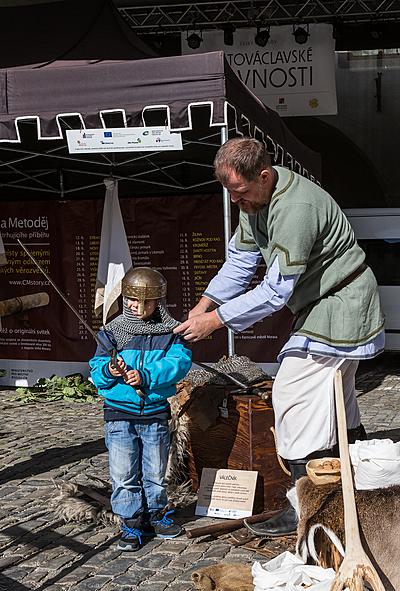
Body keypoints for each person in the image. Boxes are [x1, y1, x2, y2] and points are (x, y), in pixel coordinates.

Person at [174, 137, 384, 538]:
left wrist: (215, 322)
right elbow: (239, 262)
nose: (237, 202)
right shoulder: (256, 201)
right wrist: (203, 306)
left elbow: (275, 291)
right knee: (338, 396)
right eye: (230, 194)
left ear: (265, 176)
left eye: (240, 192)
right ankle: (360, 483)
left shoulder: (295, 209)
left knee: (292, 393)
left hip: (342, 303)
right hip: (322, 304)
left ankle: (303, 506)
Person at [90, 267, 192, 551]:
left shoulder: (171, 333)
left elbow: (179, 363)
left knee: (156, 470)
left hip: (155, 413)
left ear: (158, 301)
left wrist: (145, 375)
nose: (138, 307)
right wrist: (111, 369)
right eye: (133, 300)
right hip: (119, 414)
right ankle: (131, 522)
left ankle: (157, 515)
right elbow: (96, 370)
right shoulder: (112, 333)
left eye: (146, 302)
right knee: (123, 473)